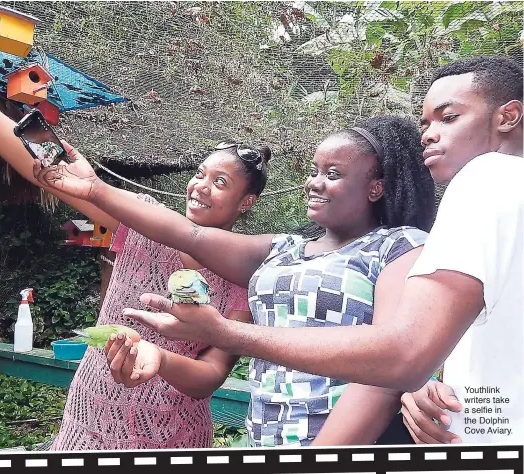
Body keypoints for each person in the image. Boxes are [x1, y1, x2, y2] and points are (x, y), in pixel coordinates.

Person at [33, 56, 522, 445]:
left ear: (375, 188)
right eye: (314, 170)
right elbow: (189, 235)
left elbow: (390, 365)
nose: (313, 182)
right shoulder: (286, 249)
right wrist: (96, 190)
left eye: (333, 174)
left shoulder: (403, 246)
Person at [0, 15, 267, 450]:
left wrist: (158, 358)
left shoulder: (245, 280)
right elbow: (41, 172)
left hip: (169, 439)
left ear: (246, 203)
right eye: (200, 173)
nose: (200, 186)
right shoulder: (143, 220)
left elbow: (210, 378)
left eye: (220, 182)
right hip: (85, 424)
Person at [398, 56, 523, 444]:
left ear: (509, 116)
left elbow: (405, 351)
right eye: (426, 124)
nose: (428, 135)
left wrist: (232, 333)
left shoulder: (487, 176)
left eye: (448, 117)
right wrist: (429, 382)